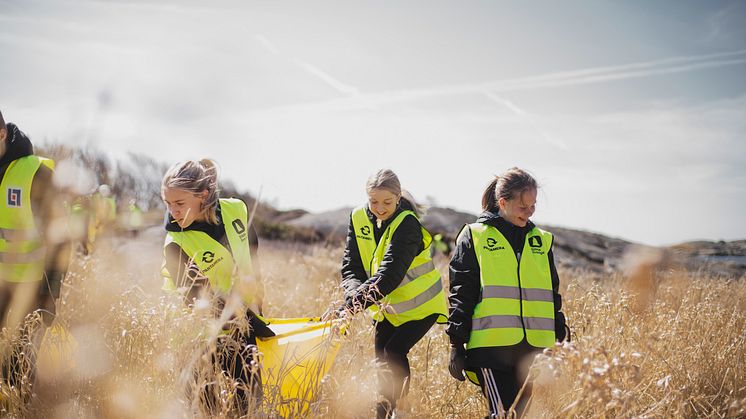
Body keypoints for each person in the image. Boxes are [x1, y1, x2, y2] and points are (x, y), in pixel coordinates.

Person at [446, 167, 569, 418]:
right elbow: (461, 293)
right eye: (524, 206)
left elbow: (551, 293)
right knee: (502, 414)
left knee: (518, 415)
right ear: (503, 202)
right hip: (491, 349)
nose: (530, 212)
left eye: (533, 205)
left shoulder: (541, 240)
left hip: (534, 350)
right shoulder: (474, 236)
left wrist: (560, 332)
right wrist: (456, 344)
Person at [159, 159, 273, 414]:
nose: (173, 212)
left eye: (179, 203)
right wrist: (252, 320)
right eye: (168, 204)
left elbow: (252, 258)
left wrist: (257, 305)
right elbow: (199, 300)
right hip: (197, 339)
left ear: (204, 196)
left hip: (243, 330)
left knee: (247, 408)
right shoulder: (175, 243)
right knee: (207, 411)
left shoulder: (236, 210)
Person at [334, 169, 448, 419]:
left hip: (422, 306)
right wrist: (352, 296)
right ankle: (383, 415)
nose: (380, 208)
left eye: (387, 202)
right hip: (387, 309)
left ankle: (403, 412)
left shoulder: (407, 224)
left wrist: (349, 309)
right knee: (381, 366)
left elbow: (389, 276)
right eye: (373, 201)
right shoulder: (357, 218)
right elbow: (351, 266)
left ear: (398, 198)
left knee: (393, 352)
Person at [0, 110, 71, 389]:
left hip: (27, 287)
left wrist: (50, 292)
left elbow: (61, 237)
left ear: (2, 134)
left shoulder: (35, 172)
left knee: (16, 367)